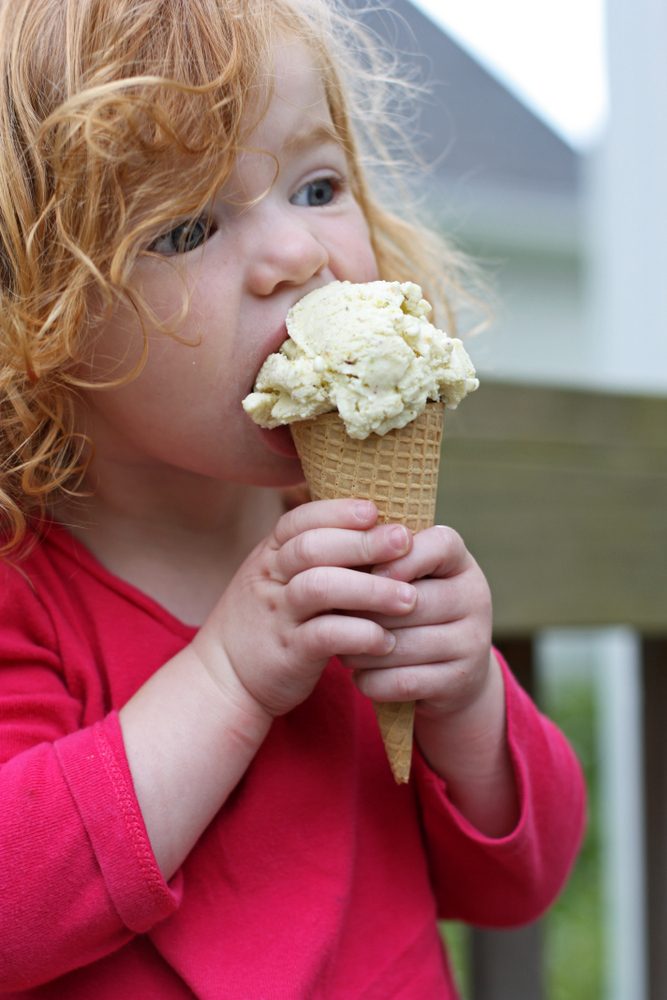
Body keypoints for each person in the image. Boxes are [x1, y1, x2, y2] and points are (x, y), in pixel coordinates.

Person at [0, 0, 585, 996]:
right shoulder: (27, 592)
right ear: (40, 316)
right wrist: (229, 677)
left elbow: (516, 883)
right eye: (188, 225)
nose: (298, 256)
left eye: (318, 186)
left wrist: (467, 705)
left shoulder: (361, 558)